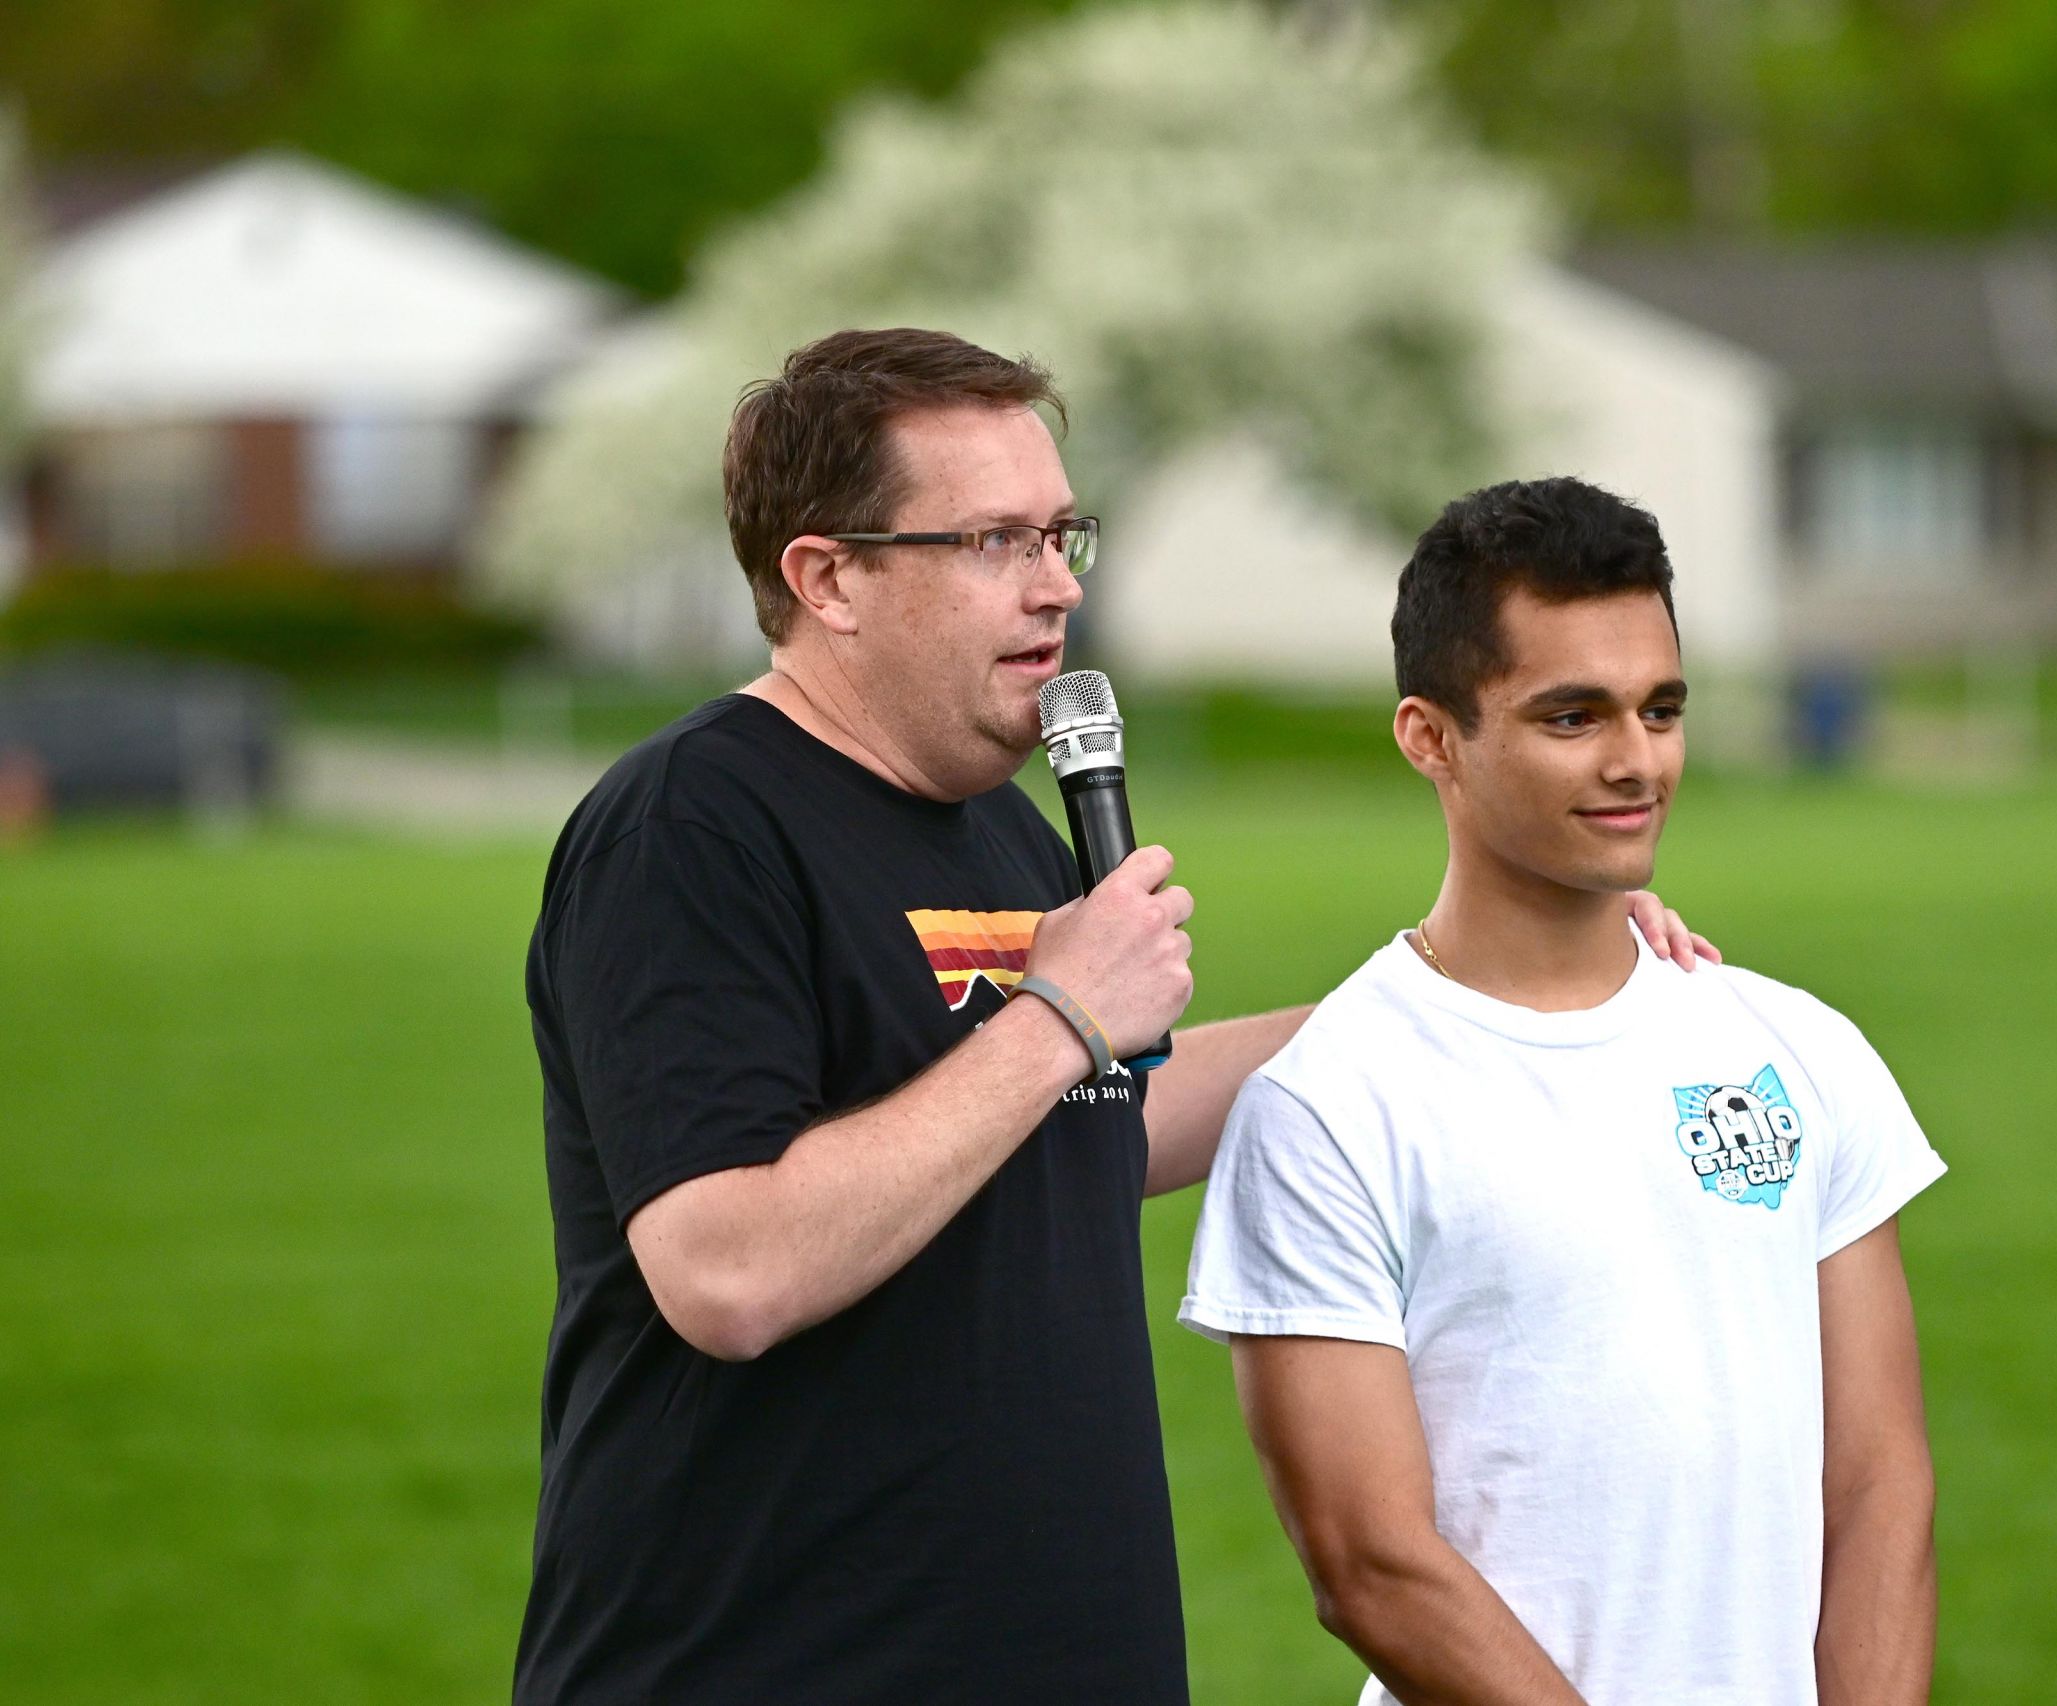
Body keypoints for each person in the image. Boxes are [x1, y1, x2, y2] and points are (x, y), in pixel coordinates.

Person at [514, 330, 1713, 1703]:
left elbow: (1096, 1127)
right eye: (995, 541)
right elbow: (727, 1270)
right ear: (828, 576)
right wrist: (1063, 1011)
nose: (1058, 581)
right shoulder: (695, 827)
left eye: (1062, 530)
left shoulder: (1002, 839)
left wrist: (1472, 993)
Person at [1181, 476, 1945, 1706]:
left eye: (1662, 707)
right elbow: (1369, 1563)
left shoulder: (1794, 1045)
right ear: (1429, 736)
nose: (1635, 759)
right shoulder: (1326, 1104)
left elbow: (1876, 1479)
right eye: (1572, 716)